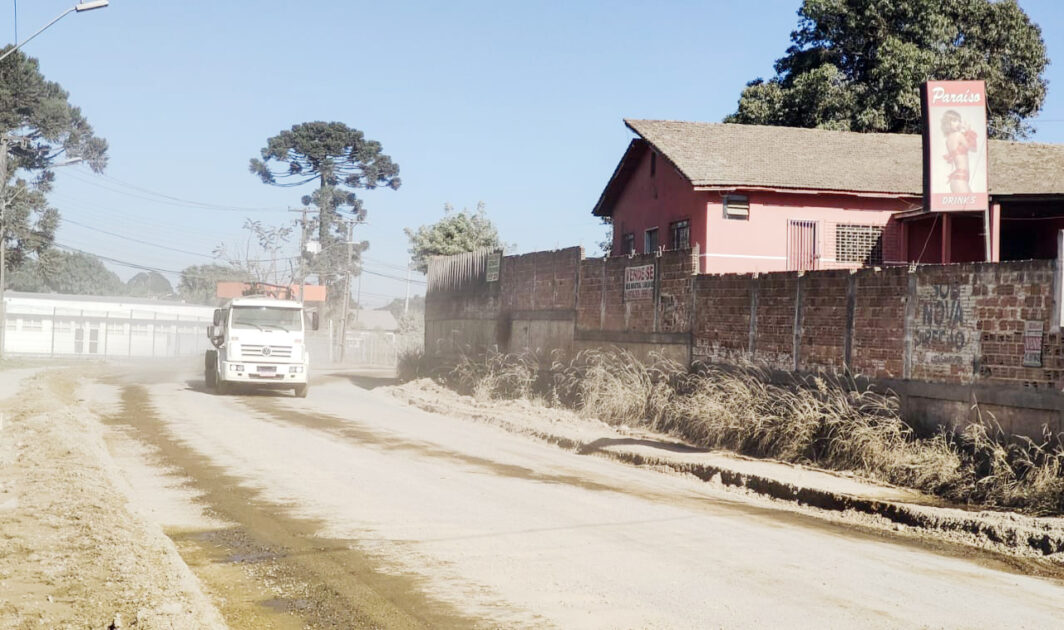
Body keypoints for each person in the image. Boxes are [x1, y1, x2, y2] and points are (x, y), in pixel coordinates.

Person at [940, 110, 978, 193]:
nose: (958, 123)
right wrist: (968, 131)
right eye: (954, 121)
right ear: (948, 123)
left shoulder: (948, 139)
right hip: (960, 179)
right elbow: (973, 148)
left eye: (959, 121)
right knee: (970, 205)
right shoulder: (958, 135)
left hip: (958, 179)